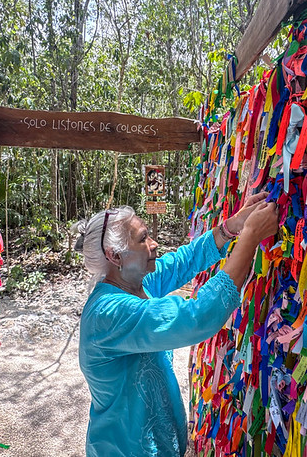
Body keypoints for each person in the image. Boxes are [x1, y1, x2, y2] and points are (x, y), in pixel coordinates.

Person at [77, 192, 278, 456]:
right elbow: (197, 317)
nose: (154, 243)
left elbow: (182, 262)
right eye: (143, 239)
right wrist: (250, 238)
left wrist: (232, 227)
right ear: (115, 256)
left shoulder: (136, 283)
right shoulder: (108, 314)